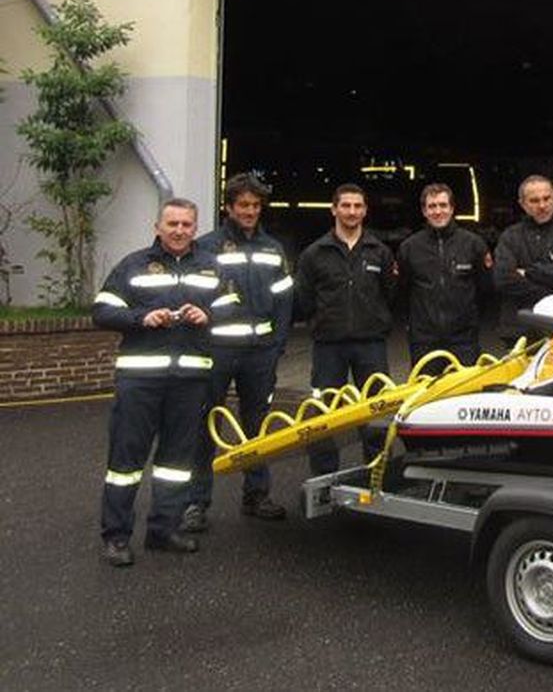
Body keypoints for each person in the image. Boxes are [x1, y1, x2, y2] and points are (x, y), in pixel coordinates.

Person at [92, 197, 241, 566]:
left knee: (176, 462)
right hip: (140, 380)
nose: (179, 231)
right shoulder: (134, 265)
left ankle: (164, 530)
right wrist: (142, 317)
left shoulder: (210, 267)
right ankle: (116, 537)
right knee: (125, 463)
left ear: (195, 227)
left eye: (186, 225)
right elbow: (102, 310)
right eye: (172, 224)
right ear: (157, 227)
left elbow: (232, 305)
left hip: (190, 380)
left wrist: (206, 314)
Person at [184, 174, 294, 532]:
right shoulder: (206, 248)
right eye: (243, 205)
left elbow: (283, 302)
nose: (249, 211)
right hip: (216, 351)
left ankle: (257, 495)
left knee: (257, 425)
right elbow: (194, 301)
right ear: (229, 207)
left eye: (255, 205)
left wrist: (276, 345)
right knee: (206, 424)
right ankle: (195, 503)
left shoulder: (273, 249)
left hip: (260, 353)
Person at [292, 183, 397, 476]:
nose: (352, 212)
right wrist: (321, 323)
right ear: (334, 209)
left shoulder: (380, 252)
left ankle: (378, 471)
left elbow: (390, 293)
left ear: (365, 211)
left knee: (376, 410)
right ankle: (324, 476)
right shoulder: (314, 254)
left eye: (358, 206)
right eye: (346, 206)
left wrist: (375, 321)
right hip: (329, 345)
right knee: (325, 413)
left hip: (370, 344)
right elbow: (304, 298)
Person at [396, 182, 493, 369]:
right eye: (432, 206)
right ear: (424, 211)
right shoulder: (409, 248)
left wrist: (469, 321)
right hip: (424, 341)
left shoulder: (474, 245)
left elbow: (486, 290)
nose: (438, 211)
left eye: (443, 205)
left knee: (464, 395)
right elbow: (402, 292)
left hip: (464, 340)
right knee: (427, 396)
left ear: (452, 208)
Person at [493, 174, 553, 337]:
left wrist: (528, 273)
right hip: (518, 330)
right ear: (522, 204)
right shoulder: (510, 236)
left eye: (546, 198)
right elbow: (503, 279)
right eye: (534, 201)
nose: (542, 205)